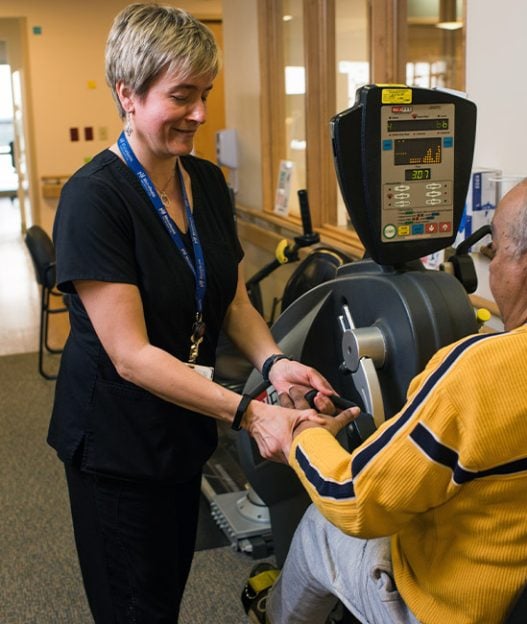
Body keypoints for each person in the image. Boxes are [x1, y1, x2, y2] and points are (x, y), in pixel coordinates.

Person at [252, 166, 527, 624]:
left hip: (459, 610)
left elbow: (355, 502)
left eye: (495, 250)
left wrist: (301, 436)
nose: (491, 268)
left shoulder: (478, 370)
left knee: (321, 526)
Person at [48, 4, 336, 622]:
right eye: (182, 96)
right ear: (127, 93)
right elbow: (129, 356)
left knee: (168, 586)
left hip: (181, 423)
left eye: (205, 94)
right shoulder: (94, 199)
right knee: (134, 606)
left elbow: (230, 297)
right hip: (117, 445)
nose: (201, 114)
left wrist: (276, 363)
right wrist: (249, 413)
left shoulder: (203, 181)